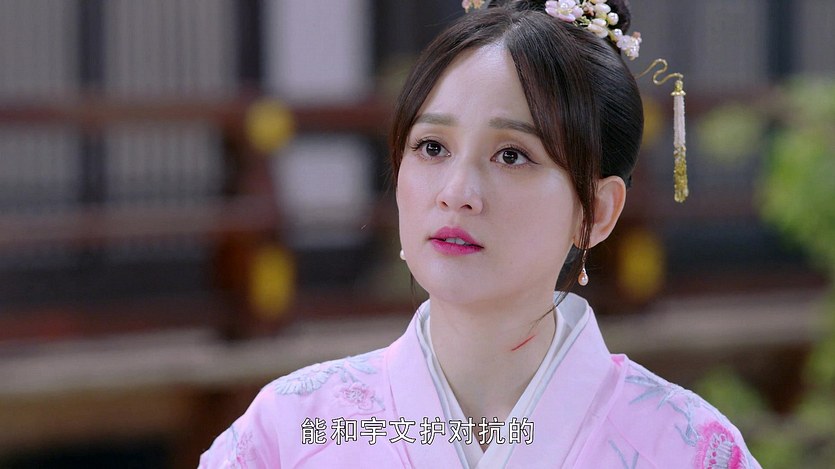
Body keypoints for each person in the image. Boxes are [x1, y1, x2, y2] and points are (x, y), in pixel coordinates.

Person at [199, 1, 761, 467]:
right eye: (432, 147)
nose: (456, 191)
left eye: (512, 155)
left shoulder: (686, 448)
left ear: (595, 210)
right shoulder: (290, 431)